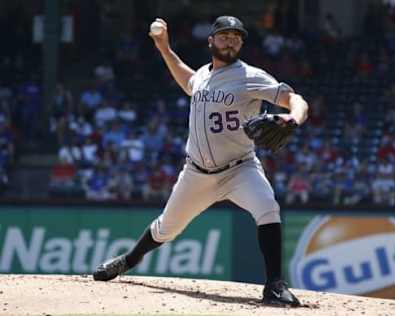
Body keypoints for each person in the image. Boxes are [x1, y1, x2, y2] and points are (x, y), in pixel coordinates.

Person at [92, 16, 309, 307]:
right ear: (211, 41)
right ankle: (127, 261)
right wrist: (164, 48)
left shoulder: (251, 76)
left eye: (236, 36)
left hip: (240, 168)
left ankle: (274, 285)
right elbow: (188, 80)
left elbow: (296, 99)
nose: (230, 40)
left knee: (268, 208)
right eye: (224, 35)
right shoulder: (203, 76)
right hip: (196, 173)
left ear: (242, 43)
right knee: (165, 228)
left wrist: (293, 118)